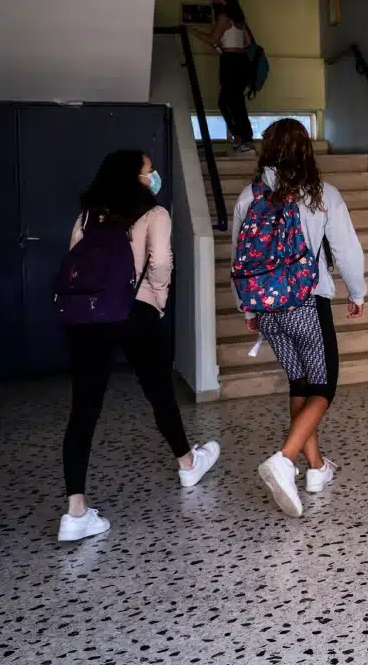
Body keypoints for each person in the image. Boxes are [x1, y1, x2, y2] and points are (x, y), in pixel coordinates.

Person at [58, 150, 220, 541]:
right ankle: (187, 464)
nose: (154, 175)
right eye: (149, 171)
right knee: (159, 392)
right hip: (135, 310)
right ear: (136, 177)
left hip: (89, 316)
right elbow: (160, 261)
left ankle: (75, 512)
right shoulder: (154, 214)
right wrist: (156, 300)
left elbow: (73, 261)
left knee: (83, 410)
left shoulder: (88, 215)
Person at [230, 119, 366, 518]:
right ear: (305, 150)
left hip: (268, 310)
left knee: (300, 384)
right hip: (308, 304)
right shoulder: (321, 194)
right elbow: (347, 251)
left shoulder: (248, 197)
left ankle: (317, 468)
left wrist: (248, 307)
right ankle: (285, 459)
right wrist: (357, 292)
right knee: (323, 388)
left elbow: (238, 259)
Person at [193, 0, 256, 153]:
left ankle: (244, 138)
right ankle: (242, 137)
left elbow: (212, 39)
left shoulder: (223, 16)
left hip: (230, 61)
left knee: (229, 102)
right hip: (241, 61)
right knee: (234, 101)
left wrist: (192, 31)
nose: (215, 1)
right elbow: (248, 42)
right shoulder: (239, 18)